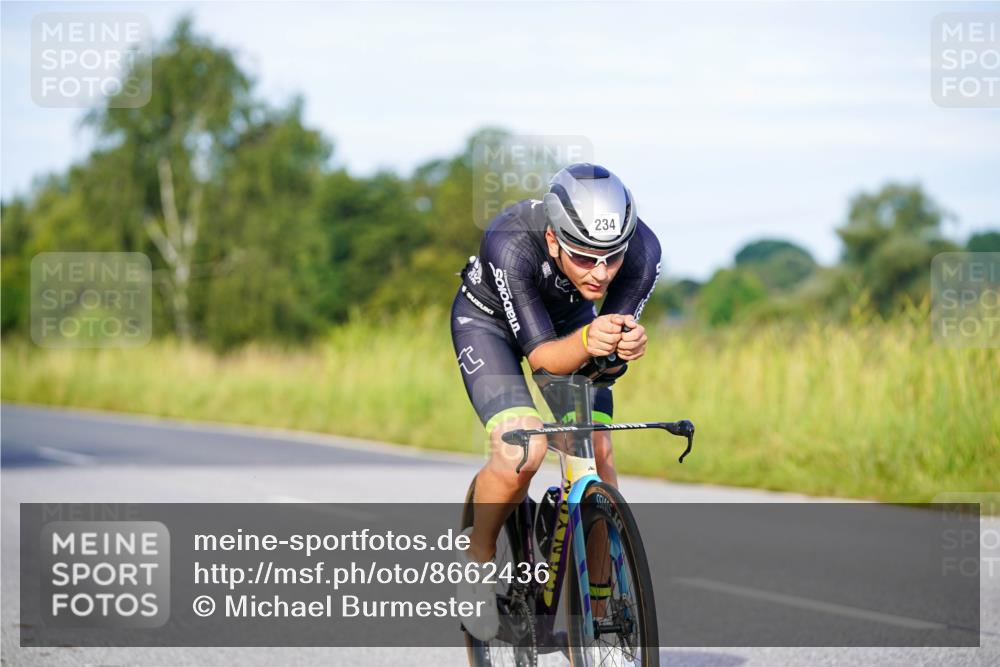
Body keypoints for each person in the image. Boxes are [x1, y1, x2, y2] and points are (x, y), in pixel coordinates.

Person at [450, 163, 661, 641]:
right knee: (521, 449)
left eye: (612, 257)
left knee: (597, 450)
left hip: (571, 329)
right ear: (552, 240)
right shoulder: (510, 241)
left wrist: (620, 348)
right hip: (491, 328)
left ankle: (600, 603)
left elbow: (599, 357)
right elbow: (545, 361)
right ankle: (476, 561)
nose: (602, 273)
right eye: (585, 258)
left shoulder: (643, 253)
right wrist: (592, 338)